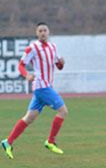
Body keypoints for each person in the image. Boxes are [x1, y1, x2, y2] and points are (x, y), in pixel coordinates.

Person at [2, 22, 67, 159]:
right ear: (37, 33)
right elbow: (21, 65)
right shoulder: (33, 48)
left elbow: (58, 66)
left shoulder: (53, 47)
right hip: (41, 86)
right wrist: (26, 75)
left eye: (45, 30)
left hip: (46, 86)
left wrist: (62, 63)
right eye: (40, 31)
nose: (43, 33)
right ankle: (50, 142)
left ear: (48, 32)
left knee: (29, 118)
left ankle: (8, 142)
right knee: (63, 111)